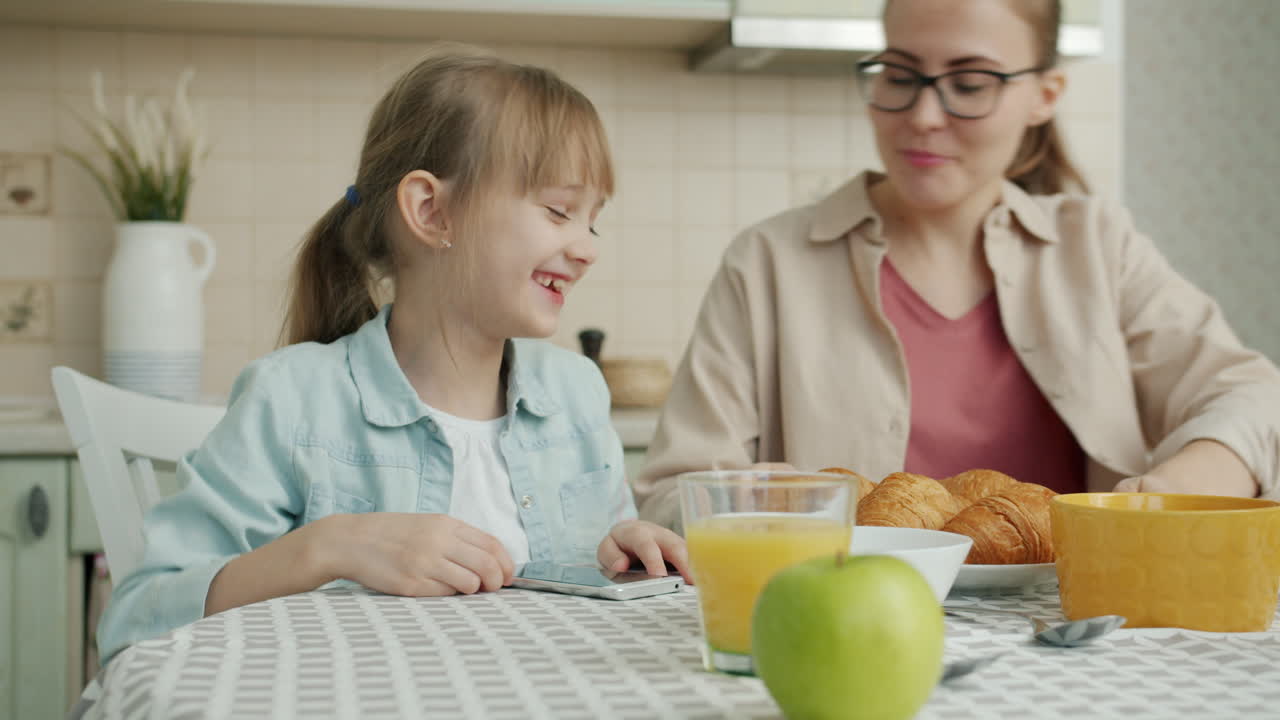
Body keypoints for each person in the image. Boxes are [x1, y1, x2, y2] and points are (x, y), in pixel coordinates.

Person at [97, 47, 689, 664]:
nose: (587, 248)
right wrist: (328, 546)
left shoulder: (577, 393)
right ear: (431, 211)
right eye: (559, 211)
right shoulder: (292, 399)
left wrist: (627, 549)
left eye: (593, 223)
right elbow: (139, 617)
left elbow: (595, 573)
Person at [635, 0, 1280, 531]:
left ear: (1045, 95)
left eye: (970, 84)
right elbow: (672, 492)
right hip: (847, 626)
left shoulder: (1099, 249)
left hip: (1080, 637)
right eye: (898, 75)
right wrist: (777, 503)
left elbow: (1252, 397)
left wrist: (1177, 485)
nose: (922, 116)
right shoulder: (769, 263)